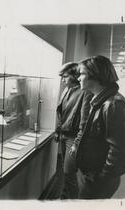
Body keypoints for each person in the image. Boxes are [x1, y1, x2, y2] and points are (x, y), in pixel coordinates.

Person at [76, 55, 125, 199]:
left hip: (99, 180)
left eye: (82, 74)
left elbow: (121, 152)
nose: (78, 78)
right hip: (93, 175)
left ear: (95, 75)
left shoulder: (113, 105)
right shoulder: (101, 100)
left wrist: (101, 178)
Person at [55, 62, 93, 199]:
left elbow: (85, 123)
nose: (63, 80)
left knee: (68, 171)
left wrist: (77, 143)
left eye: (65, 76)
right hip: (63, 135)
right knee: (63, 170)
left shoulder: (85, 92)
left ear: (75, 75)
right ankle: (65, 196)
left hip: (74, 137)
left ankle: (71, 200)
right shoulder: (66, 90)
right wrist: (57, 131)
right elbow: (61, 112)